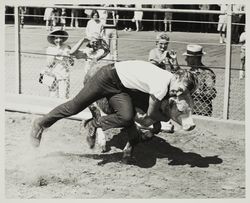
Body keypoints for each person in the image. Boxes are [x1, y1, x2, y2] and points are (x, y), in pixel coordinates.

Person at [31, 60, 198, 159]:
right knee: (74, 106)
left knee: (126, 116)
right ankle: (41, 123)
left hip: (121, 89)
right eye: (178, 89)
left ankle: (93, 124)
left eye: (181, 93)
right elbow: (152, 114)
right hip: (106, 78)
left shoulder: (171, 81)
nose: (177, 94)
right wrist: (166, 120)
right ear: (176, 77)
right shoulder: (161, 85)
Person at [148, 32, 180, 133]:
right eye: (161, 43)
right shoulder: (153, 52)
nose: (163, 46)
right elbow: (152, 66)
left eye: (166, 44)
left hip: (166, 83)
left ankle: (163, 121)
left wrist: (174, 60)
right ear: (156, 43)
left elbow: (176, 69)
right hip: (154, 82)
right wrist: (164, 57)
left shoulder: (168, 54)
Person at [183, 44, 217, 116]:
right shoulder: (189, 72)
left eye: (188, 57)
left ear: (195, 59)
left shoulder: (207, 73)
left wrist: (192, 92)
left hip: (202, 110)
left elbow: (211, 93)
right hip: (189, 108)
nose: (186, 59)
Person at [41, 29, 74, 99]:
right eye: (56, 38)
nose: (58, 40)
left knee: (64, 96)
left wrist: (70, 57)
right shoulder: (50, 49)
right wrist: (55, 54)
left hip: (64, 75)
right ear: (53, 39)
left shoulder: (66, 47)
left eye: (60, 38)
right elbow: (49, 64)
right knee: (53, 96)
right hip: (52, 75)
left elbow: (72, 63)